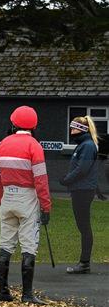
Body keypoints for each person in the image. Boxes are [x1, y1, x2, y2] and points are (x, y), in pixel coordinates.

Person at [0, 106, 51, 304]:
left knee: (5, 245)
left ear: (14, 123)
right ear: (33, 125)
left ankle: (3, 292)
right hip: (28, 200)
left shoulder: (2, 144)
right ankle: (27, 295)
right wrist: (46, 207)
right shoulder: (34, 146)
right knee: (28, 247)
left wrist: (1, 199)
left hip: (7, 198)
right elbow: (41, 180)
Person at [59, 116, 99, 274]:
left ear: (81, 130)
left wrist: (66, 180)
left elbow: (83, 169)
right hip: (81, 190)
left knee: (84, 226)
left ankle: (84, 263)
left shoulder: (87, 145)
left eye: (74, 128)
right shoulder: (84, 144)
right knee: (83, 226)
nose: (71, 131)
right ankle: (84, 263)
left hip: (82, 191)